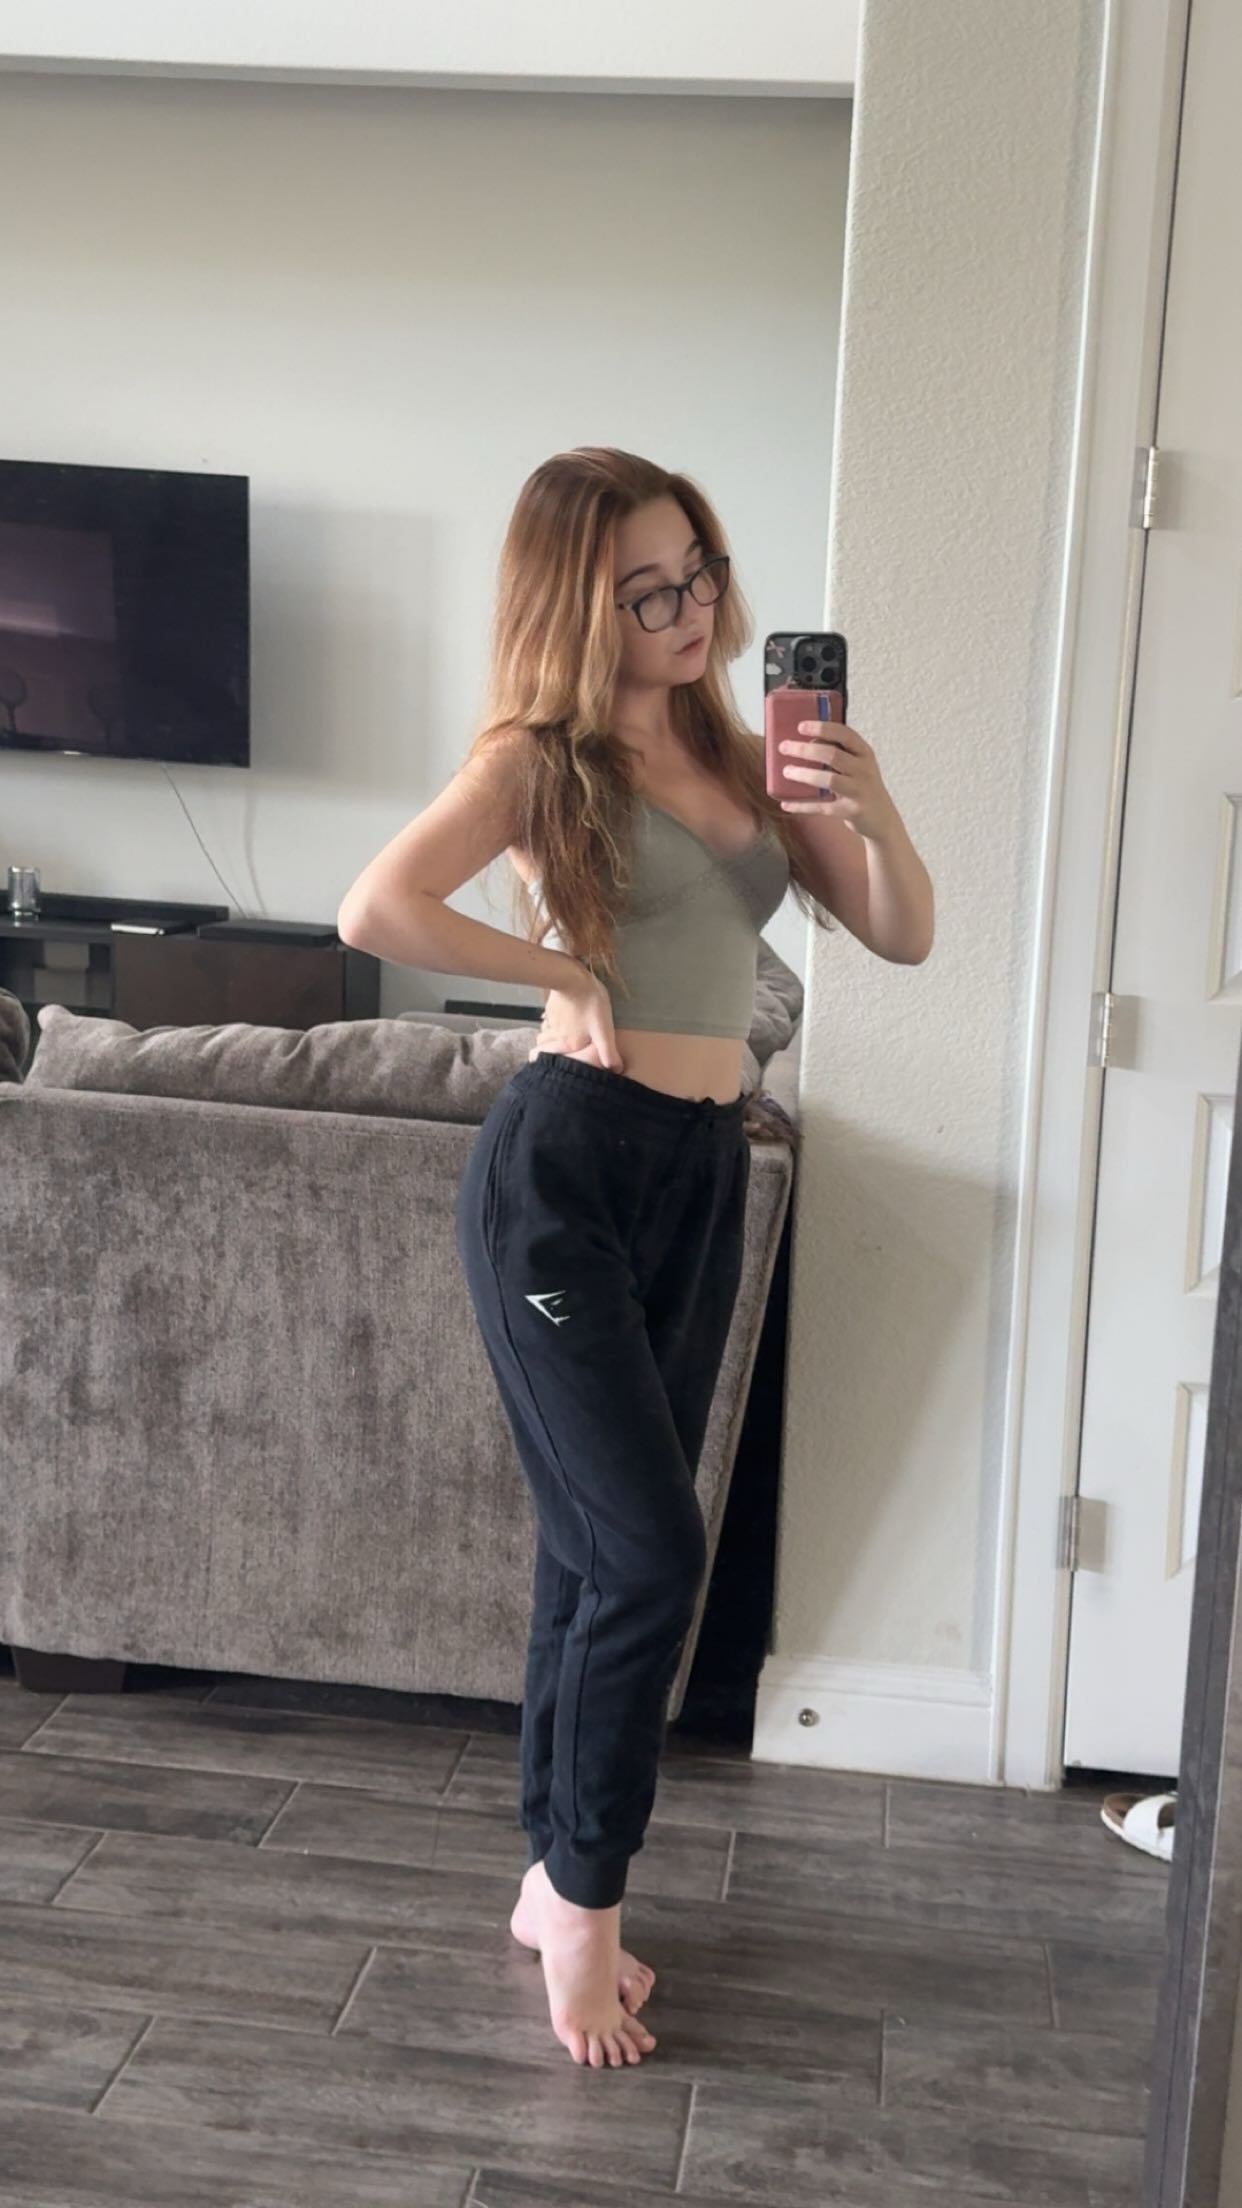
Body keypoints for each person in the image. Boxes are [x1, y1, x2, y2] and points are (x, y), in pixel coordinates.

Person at [337, 446, 934, 2069]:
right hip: (563, 1177)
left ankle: (550, 1875)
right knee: (650, 1556)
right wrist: (563, 972)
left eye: (699, 573)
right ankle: (588, 1909)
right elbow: (377, 907)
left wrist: (866, 807)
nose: (687, 610)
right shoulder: (543, 760)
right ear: (575, 609)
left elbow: (898, 932)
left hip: (699, 1173)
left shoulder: (743, 756)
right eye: (644, 592)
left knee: (594, 1553)